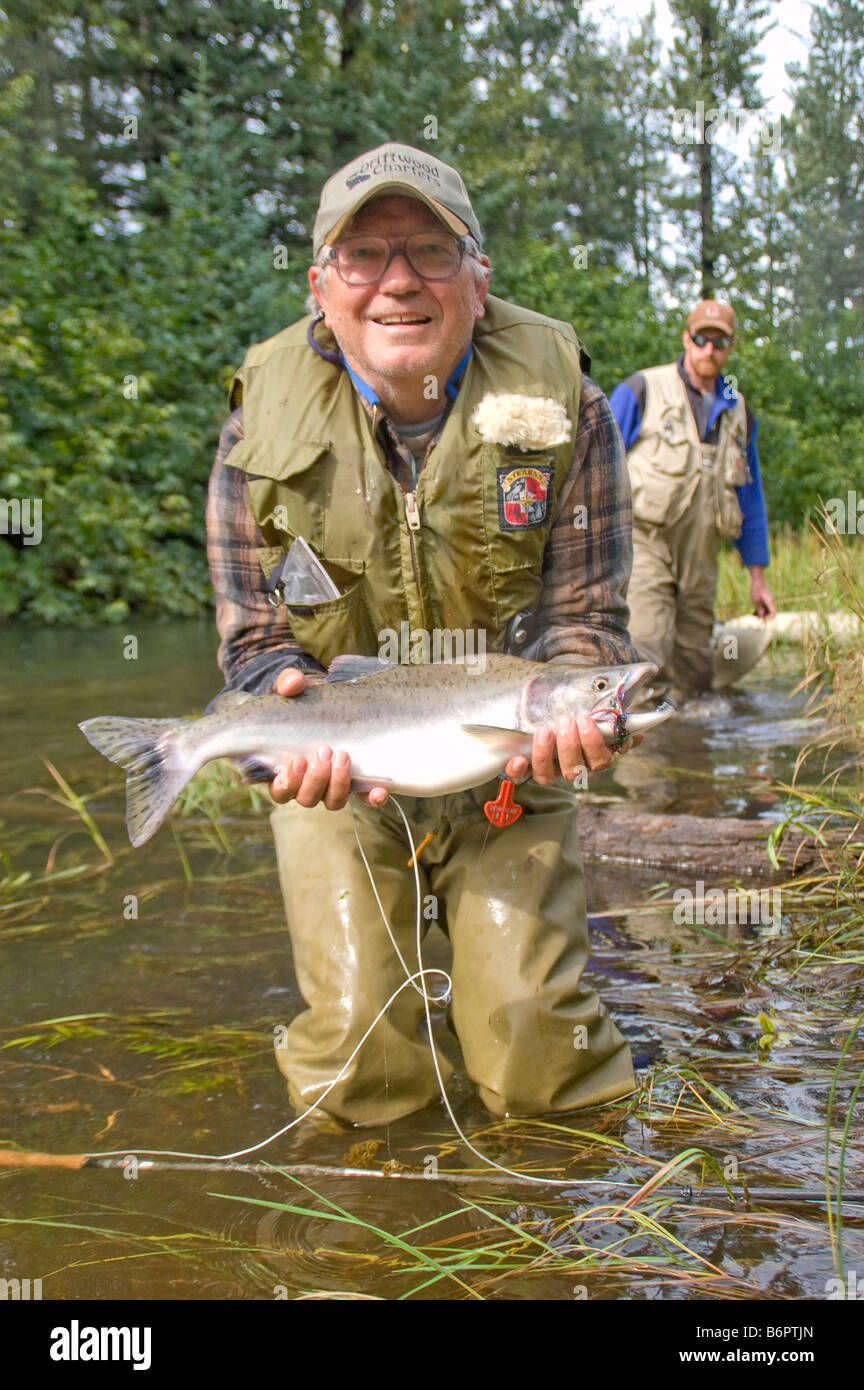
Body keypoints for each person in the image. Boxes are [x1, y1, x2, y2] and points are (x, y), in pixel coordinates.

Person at [206, 142, 641, 1127]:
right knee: (361, 1062)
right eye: (364, 255)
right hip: (339, 757)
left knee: (540, 1056)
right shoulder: (257, 417)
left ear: (478, 282)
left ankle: (563, 1220)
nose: (398, 280)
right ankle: (371, 1225)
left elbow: (586, 626)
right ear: (322, 288)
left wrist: (580, 709)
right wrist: (280, 732)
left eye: (430, 250)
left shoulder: (563, 402)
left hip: (507, 770)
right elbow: (256, 643)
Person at [609, 300, 776, 701]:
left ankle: (690, 752)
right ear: (687, 338)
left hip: (702, 555)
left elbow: (749, 496)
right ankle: (641, 759)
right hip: (646, 544)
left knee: (695, 664)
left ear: (731, 347)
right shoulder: (643, 389)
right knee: (648, 646)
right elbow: (597, 464)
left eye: (720, 342)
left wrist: (758, 576)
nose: (709, 350)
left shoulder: (739, 411)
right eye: (701, 339)